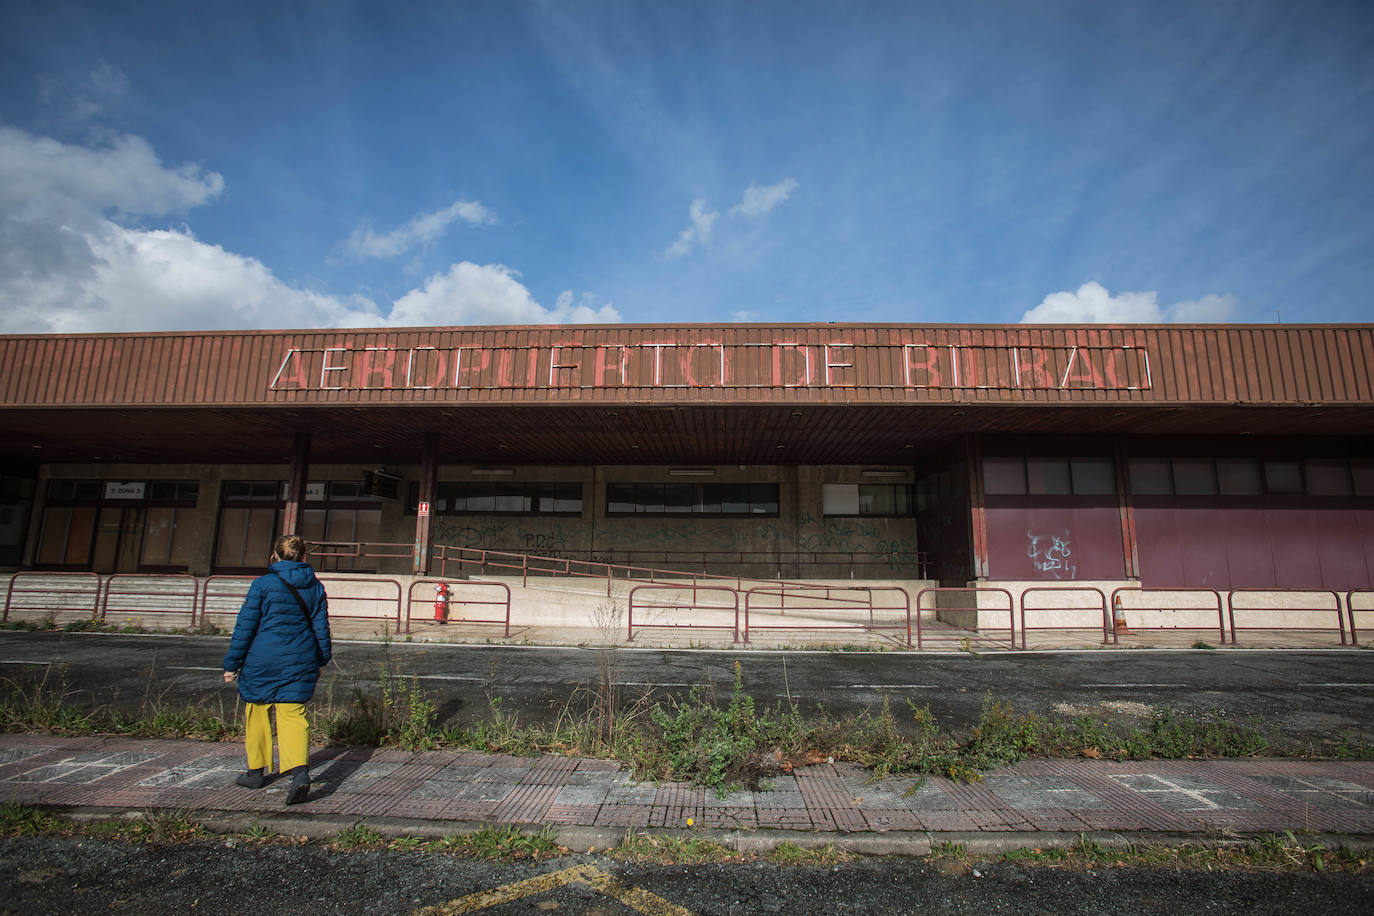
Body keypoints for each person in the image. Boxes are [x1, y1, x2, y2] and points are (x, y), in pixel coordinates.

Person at [222, 534, 331, 805]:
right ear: (304, 557)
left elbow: (245, 627)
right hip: (300, 659)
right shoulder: (315, 587)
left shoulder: (262, 585)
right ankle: (299, 773)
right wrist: (321, 661)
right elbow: (321, 629)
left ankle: (256, 771)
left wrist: (232, 664)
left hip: (262, 659)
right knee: (293, 714)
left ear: (275, 555)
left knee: (257, 710)